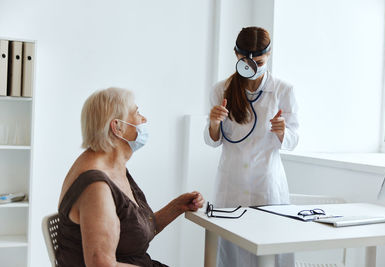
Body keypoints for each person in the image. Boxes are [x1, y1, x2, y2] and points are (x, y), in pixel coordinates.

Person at [56, 87, 204, 267]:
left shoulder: (114, 168)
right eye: (137, 113)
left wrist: (177, 206)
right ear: (117, 126)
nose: (144, 119)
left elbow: (133, 233)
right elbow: (101, 264)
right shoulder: (96, 186)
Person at [204, 27, 299, 267]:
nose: (254, 66)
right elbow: (214, 140)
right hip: (231, 186)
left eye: (260, 61)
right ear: (236, 54)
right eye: (247, 61)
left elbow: (294, 140)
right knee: (232, 256)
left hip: (267, 185)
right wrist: (214, 122)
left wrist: (282, 131)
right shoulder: (220, 90)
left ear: (268, 56)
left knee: (269, 253)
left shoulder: (283, 90)